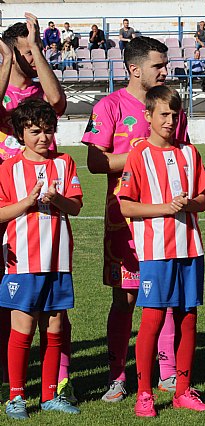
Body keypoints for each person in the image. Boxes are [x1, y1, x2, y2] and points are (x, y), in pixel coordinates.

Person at [82, 36, 188, 402]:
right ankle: (117, 376)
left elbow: (181, 154)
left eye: (165, 64)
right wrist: (143, 154)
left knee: (168, 299)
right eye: (158, 65)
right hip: (124, 224)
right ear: (134, 69)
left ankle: (169, 372)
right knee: (125, 300)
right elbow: (96, 162)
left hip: (169, 222)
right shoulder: (110, 105)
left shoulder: (172, 106)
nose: (165, 70)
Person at [119, 86, 205, 417]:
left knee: (188, 318)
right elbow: (126, 206)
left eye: (175, 115)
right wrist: (163, 208)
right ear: (148, 116)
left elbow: (203, 199)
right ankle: (144, 393)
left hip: (190, 248)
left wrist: (189, 203)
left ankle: (183, 389)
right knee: (153, 320)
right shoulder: (138, 154)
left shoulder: (189, 153)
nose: (170, 120)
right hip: (156, 251)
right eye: (164, 114)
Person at [0, 13, 69, 400]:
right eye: (24, 53)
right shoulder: (5, 94)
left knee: (54, 310)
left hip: (43, 216)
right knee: (10, 302)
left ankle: (56, 381)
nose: (29, 58)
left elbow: (58, 102)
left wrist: (37, 49)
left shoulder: (40, 99)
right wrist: (7, 60)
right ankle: (14, 384)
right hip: (7, 205)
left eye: (33, 52)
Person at [0, 98, 82, 419]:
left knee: (55, 326)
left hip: (58, 260)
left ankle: (50, 395)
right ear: (21, 133)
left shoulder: (64, 163)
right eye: (34, 131)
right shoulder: (8, 169)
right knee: (23, 326)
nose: (43, 138)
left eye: (48, 131)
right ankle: (16, 396)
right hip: (22, 262)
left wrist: (57, 198)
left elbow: (75, 206)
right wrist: (27, 202)